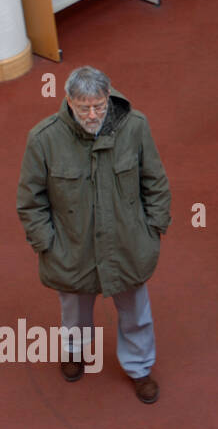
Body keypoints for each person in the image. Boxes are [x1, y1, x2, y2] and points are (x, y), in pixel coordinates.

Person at [16, 67, 171, 404]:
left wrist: (153, 229)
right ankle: (74, 351)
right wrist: (47, 246)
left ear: (108, 97)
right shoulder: (43, 139)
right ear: (68, 101)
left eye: (99, 106)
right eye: (83, 107)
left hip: (128, 244)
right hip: (71, 249)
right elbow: (30, 200)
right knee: (74, 312)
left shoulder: (135, 127)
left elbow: (155, 181)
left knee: (136, 313)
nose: (92, 114)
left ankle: (140, 368)